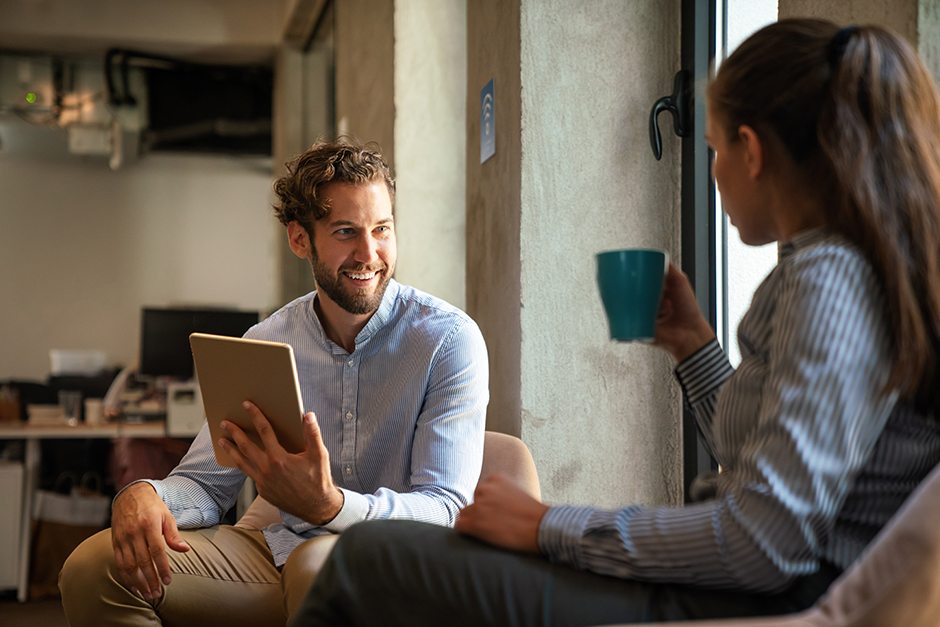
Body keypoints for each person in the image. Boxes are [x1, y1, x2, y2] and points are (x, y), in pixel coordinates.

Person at [289, 19, 940, 626]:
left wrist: (549, 524)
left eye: (712, 149)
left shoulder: (828, 279)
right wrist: (694, 348)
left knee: (368, 558)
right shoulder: (841, 268)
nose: (713, 176)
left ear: (752, 150)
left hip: (756, 598)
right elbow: (764, 467)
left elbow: (766, 540)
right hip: (745, 582)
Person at [58, 138, 489, 627]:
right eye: (346, 231)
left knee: (317, 568)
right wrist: (146, 494)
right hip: (278, 551)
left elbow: (446, 507)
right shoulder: (265, 341)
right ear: (300, 240)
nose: (369, 254)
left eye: (382, 229)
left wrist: (332, 507)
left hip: (397, 563)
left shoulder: (448, 340)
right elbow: (207, 484)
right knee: (95, 567)